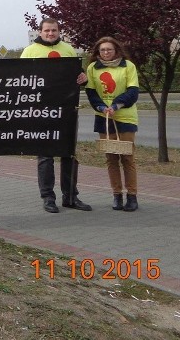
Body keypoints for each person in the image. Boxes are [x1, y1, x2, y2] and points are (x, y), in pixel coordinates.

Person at [21, 17, 91, 213]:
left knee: (69, 154)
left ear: (59, 31)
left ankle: (70, 196)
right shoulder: (30, 52)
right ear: (40, 32)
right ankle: (48, 198)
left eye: (54, 30)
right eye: (47, 30)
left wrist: (84, 78)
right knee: (45, 156)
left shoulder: (68, 50)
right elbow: (21, 80)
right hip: (41, 110)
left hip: (67, 109)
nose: (51, 33)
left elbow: (78, 75)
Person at [85, 36, 140, 212]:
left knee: (127, 158)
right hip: (104, 118)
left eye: (109, 49)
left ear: (116, 50)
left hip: (124, 117)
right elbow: (91, 93)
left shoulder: (128, 66)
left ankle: (132, 196)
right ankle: (117, 195)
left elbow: (133, 92)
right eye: (102, 50)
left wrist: (116, 105)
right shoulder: (93, 68)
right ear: (97, 52)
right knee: (111, 159)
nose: (106, 52)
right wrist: (102, 107)